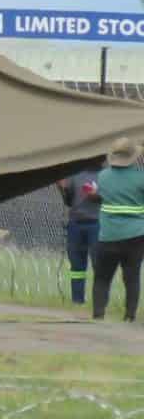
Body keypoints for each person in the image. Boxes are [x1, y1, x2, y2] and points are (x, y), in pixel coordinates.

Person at [93, 138, 144, 323]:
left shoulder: (103, 176)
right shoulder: (141, 177)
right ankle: (129, 316)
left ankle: (98, 315)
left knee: (102, 278)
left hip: (108, 235)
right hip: (136, 236)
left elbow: (99, 196)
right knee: (131, 278)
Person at [58, 164, 102, 306]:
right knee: (77, 266)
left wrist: (97, 195)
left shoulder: (106, 175)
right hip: (75, 224)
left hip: (97, 224)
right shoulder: (75, 174)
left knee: (99, 264)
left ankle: (99, 303)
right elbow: (69, 201)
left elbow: (112, 198)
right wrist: (62, 188)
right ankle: (77, 301)